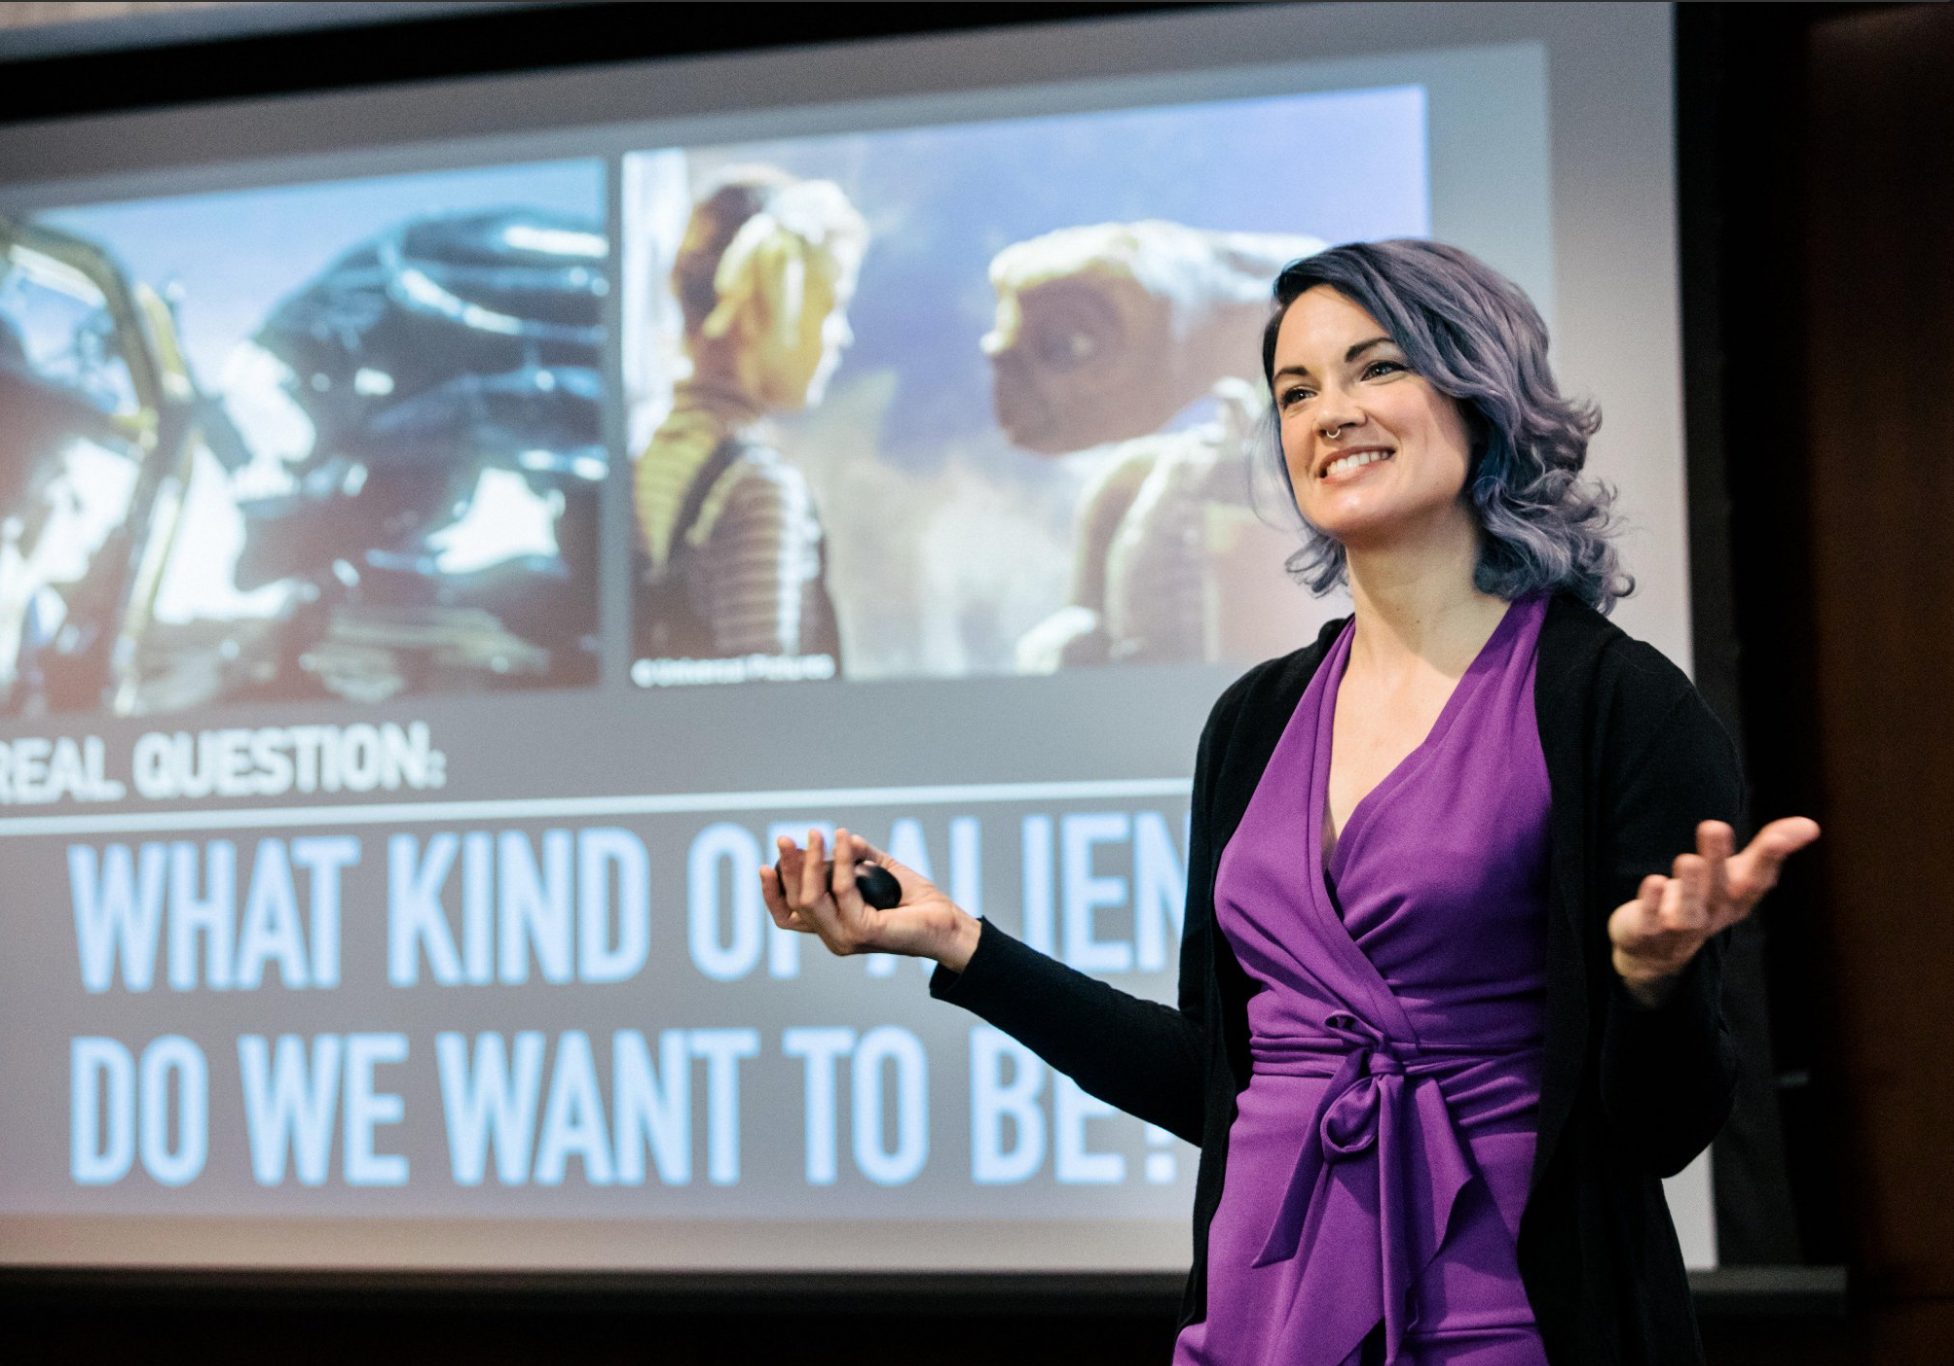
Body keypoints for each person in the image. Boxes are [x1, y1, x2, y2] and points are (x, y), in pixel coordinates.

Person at [759, 240, 1819, 1366]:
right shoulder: (1254, 720)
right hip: (1265, 1320)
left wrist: (1653, 981)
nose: (1329, 413)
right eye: (1295, 391)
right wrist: (961, 945)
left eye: (1375, 369)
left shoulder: (1617, 704)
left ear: (1478, 392)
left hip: (1511, 1322)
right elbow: (1216, 1078)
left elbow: (1664, 1127)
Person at [633, 168, 866, 670]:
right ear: (776, 301)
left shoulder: (646, 451)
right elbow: (763, 723)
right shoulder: (760, 488)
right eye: (833, 307)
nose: (841, 336)